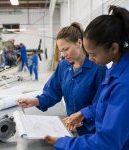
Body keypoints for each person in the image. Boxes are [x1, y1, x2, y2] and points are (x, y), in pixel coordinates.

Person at [43, 5, 129, 150]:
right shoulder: (114, 69)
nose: (90, 58)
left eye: (94, 54)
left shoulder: (123, 83)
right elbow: (105, 104)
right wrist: (84, 113)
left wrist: (61, 142)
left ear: (113, 48)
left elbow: (108, 143)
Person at [18, 22, 106, 136]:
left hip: (93, 131)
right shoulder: (64, 66)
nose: (63, 55)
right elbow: (53, 92)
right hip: (71, 128)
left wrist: (83, 115)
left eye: (66, 49)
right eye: (61, 51)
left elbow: (102, 102)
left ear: (79, 42)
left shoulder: (98, 68)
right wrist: (35, 101)